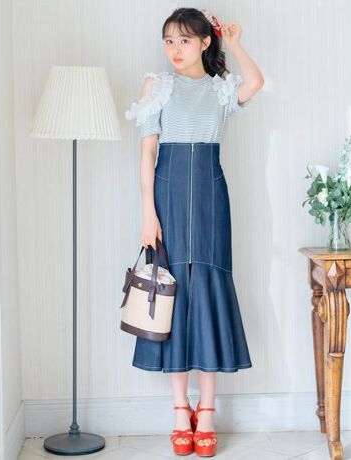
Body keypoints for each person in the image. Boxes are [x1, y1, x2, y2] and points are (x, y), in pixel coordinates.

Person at [125, 7, 264, 457]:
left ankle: (206, 412)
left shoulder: (221, 89)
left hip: (209, 196)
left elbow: (256, 82)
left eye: (184, 40)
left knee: (206, 292)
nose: (175, 49)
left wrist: (235, 42)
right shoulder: (156, 85)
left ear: (205, 42)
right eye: (169, 40)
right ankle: (178, 410)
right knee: (171, 296)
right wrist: (148, 214)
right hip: (166, 197)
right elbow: (147, 155)